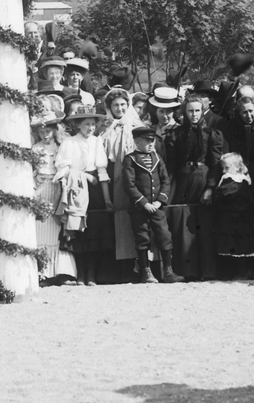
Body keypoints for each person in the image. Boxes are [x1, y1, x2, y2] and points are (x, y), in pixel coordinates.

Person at [164, 94, 223, 280]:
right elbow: (171, 165)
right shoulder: (175, 134)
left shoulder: (212, 134)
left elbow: (215, 164)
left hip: (204, 178)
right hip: (183, 180)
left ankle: (207, 271)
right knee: (182, 224)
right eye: (190, 110)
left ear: (202, 110)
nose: (194, 114)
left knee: (204, 226)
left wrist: (210, 188)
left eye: (197, 110)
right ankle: (186, 271)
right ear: (184, 112)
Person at [55, 105, 113, 286]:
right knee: (79, 232)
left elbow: (101, 170)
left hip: (94, 191)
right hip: (76, 189)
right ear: (79, 125)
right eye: (87, 124)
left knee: (95, 233)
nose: (90, 128)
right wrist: (83, 175)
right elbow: (62, 170)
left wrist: (107, 199)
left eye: (93, 125)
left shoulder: (97, 142)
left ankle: (92, 275)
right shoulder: (69, 143)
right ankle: (80, 274)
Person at [122, 125, 183, 284]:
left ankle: (168, 272)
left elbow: (165, 181)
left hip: (157, 207)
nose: (151, 144)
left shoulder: (157, 158)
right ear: (136, 142)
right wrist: (143, 203)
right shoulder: (130, 159)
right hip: (139, 208)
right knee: (142, 237)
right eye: (147, 141)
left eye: (153, 141)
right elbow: (129, 185)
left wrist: (159, 201)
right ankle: (146, 272)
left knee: (165, 235)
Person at [32, 109, 78, 284]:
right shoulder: (35, 149)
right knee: (41, 231)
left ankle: (62, 272)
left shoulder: (61, 147)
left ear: (54, 130)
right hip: (40, 190)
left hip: (58, 190)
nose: (45, 135)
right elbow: (31, 171)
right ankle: (43, 273)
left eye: (48, 131)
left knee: (58, 230)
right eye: (42, 132)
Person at [100, 87, 141, 267]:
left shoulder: (137, 127)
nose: (120, 109)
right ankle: (121, 265)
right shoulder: (105, 130)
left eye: (123, 104)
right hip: (113, 175)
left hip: (134, 173)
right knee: (117, 216)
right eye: (115, 105)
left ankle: (139, 263)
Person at [211, 152, 254, 280]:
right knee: (234, 244)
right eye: (222, 168)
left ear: (238, 167)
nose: (224, 171)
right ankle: (237, 271)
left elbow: (223, 194)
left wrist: (217, 194)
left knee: (239, 244)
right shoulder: (239, 180)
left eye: (226, 167)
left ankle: (241, 271)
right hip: (235, 217)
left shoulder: (233, 181)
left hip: (238, 218)